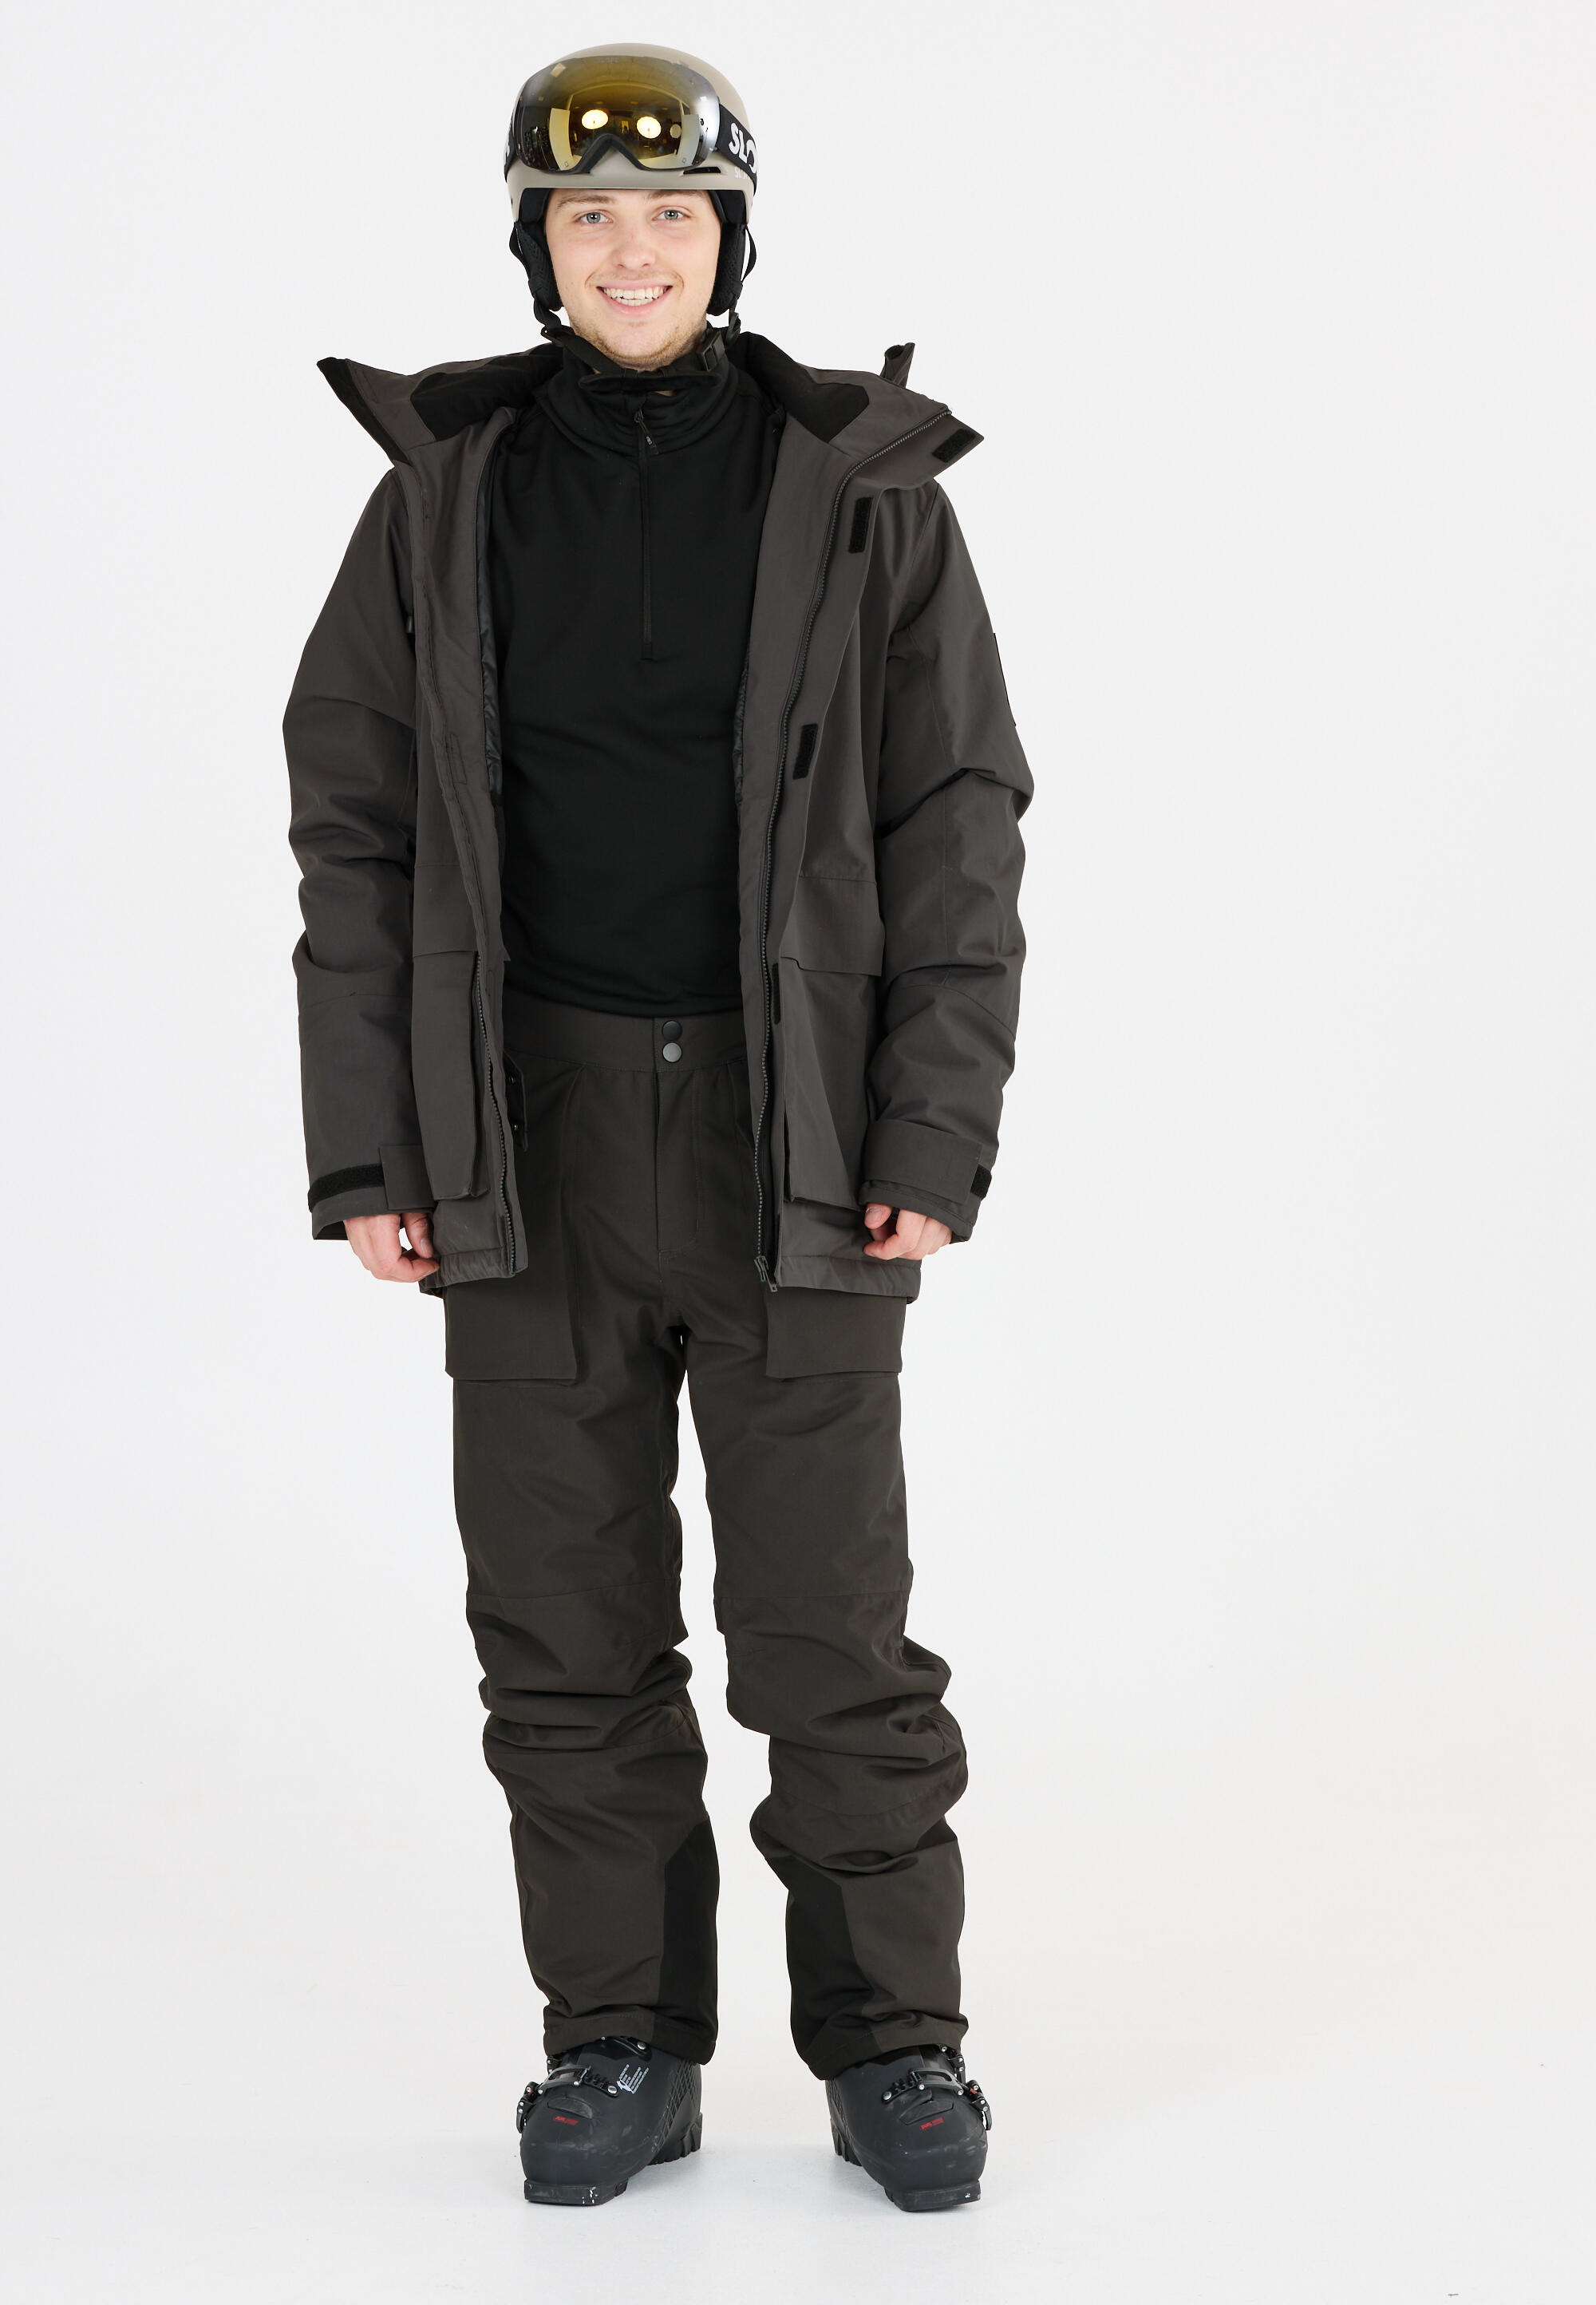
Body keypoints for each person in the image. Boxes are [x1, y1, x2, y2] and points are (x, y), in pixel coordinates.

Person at [284, 42, 1029, 2214]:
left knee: (829, 1636)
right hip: (523, 1138)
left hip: (801, 1146)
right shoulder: (443, 496)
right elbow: (353, 826)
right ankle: (617, 2040)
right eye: (590, 216)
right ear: (538, 245)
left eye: (674, 214)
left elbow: (957, 818)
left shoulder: (864, 496)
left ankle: (896, 2044)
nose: (633, 251)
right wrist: (378, 1149)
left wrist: (932, 1130)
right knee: (562, 1631)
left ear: (731, 239)